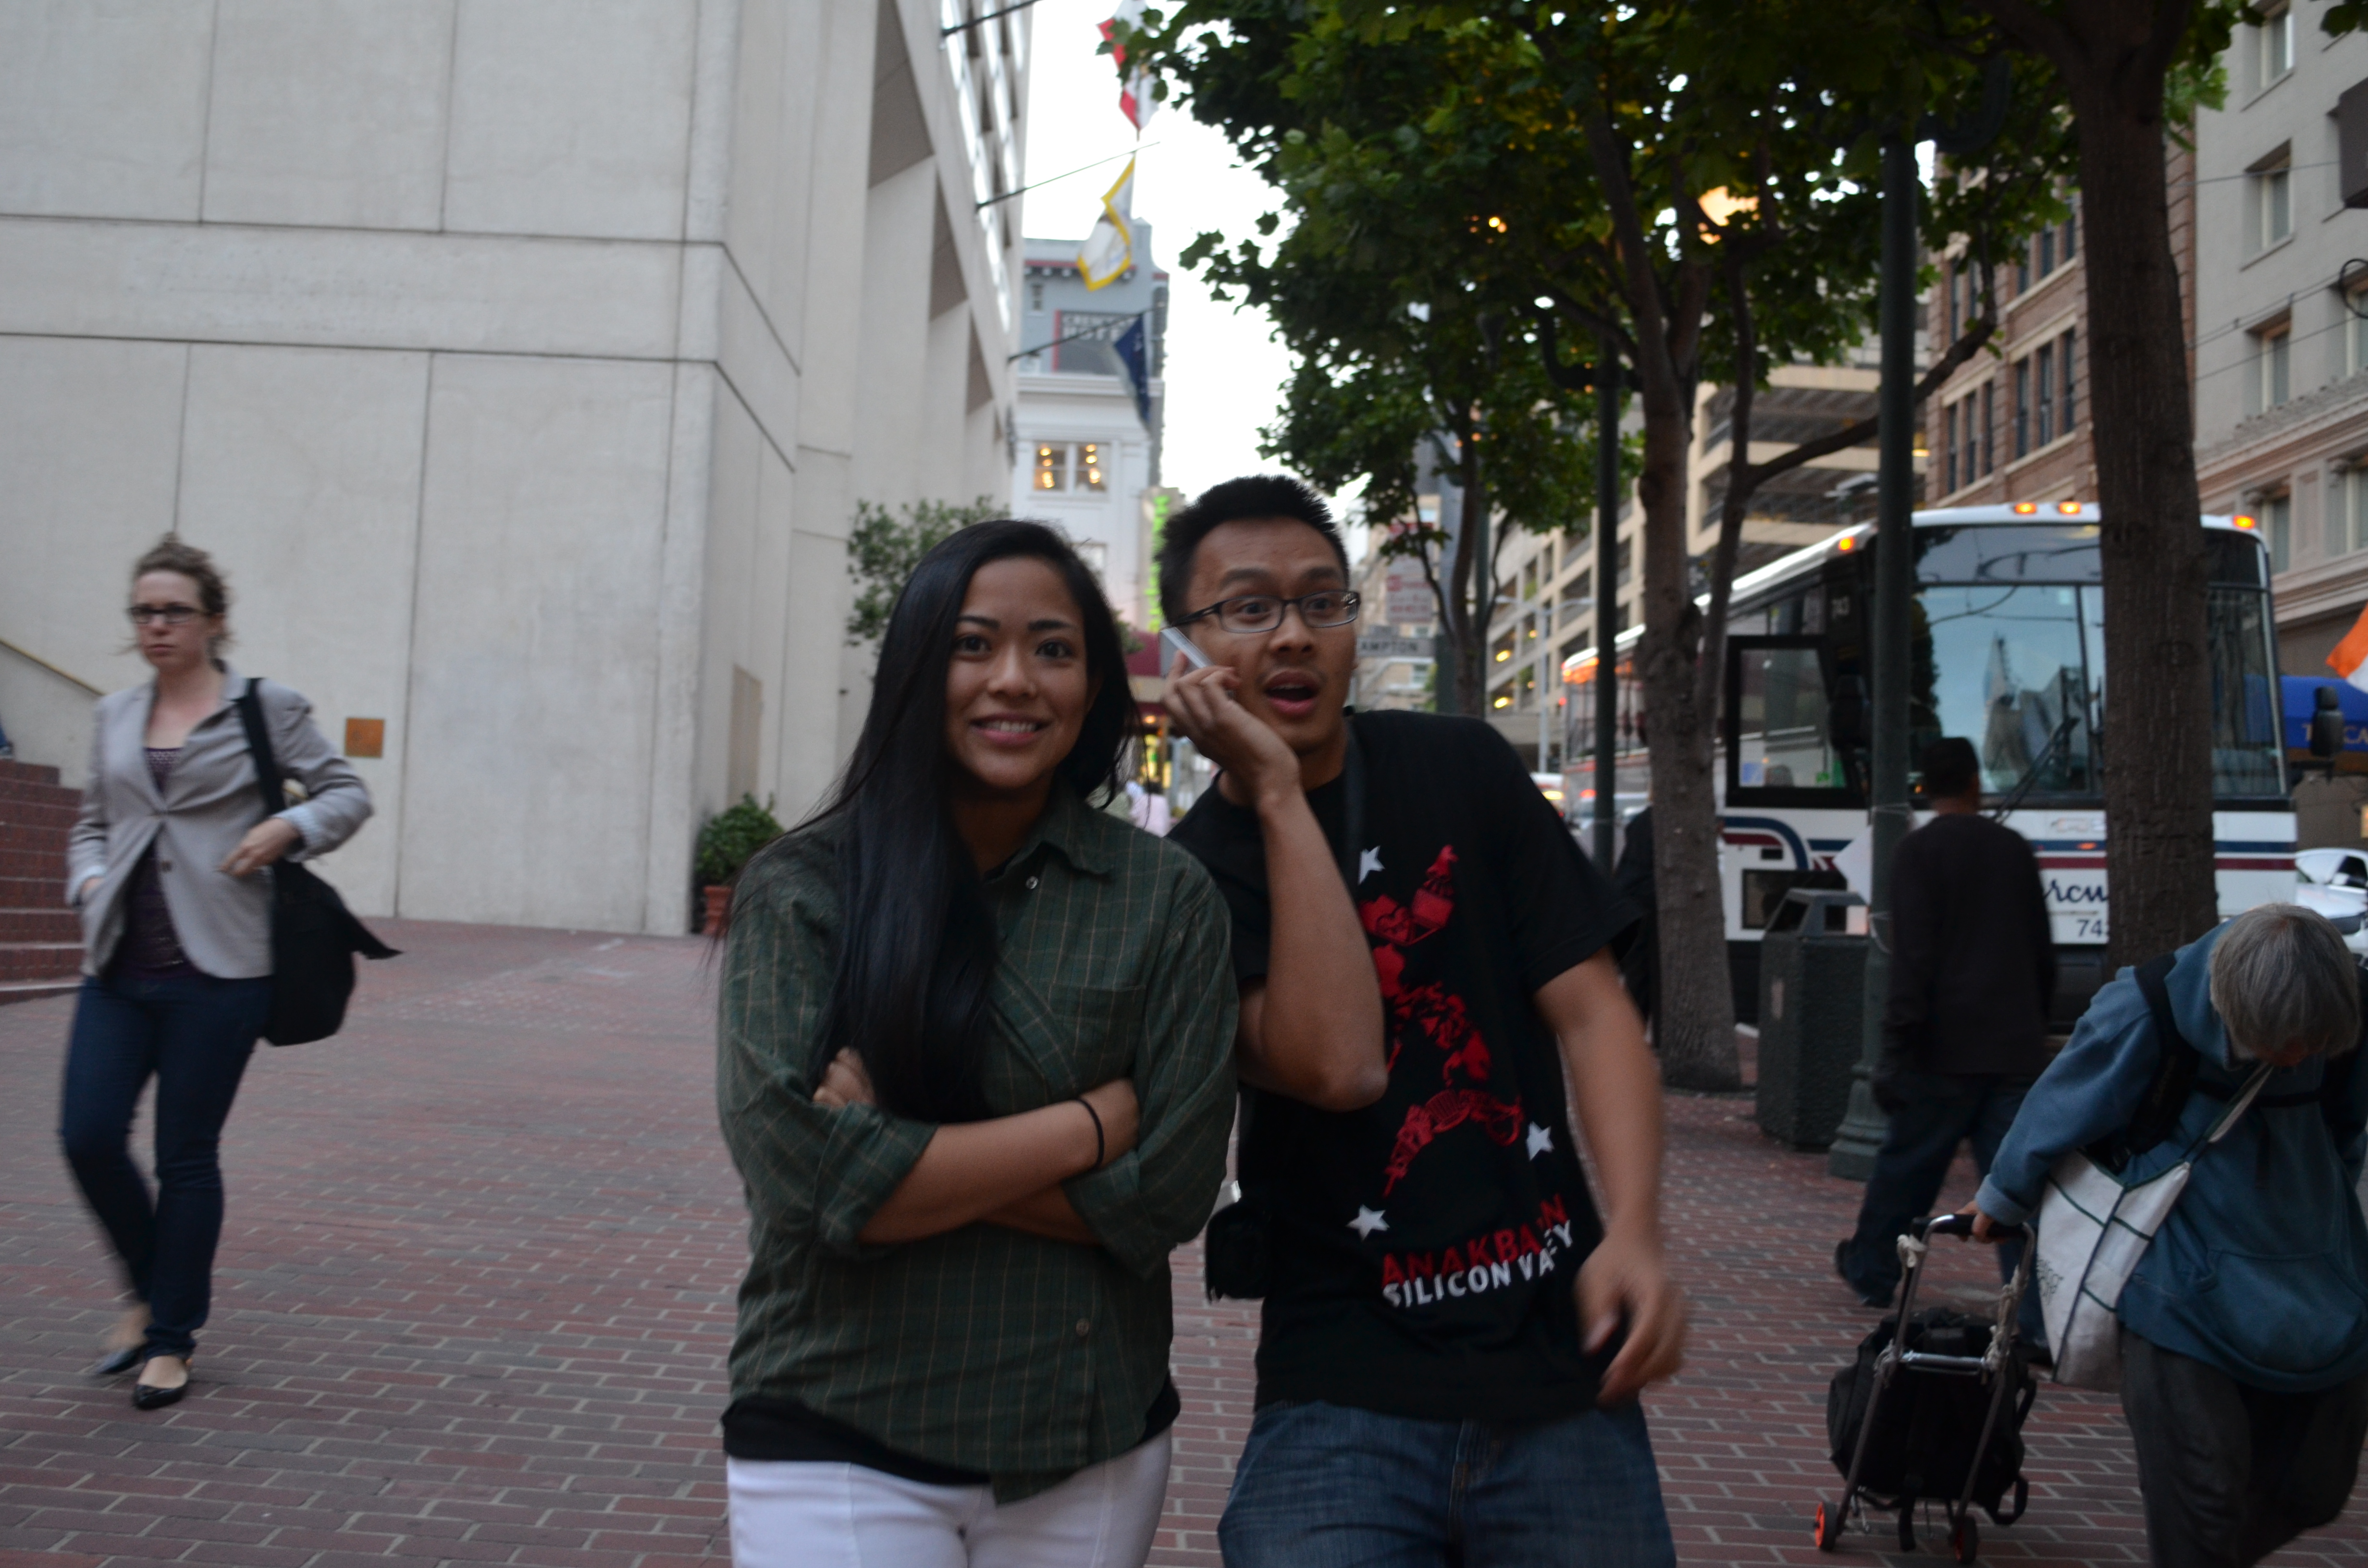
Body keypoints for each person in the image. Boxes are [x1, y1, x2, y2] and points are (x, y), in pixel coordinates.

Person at [1158, 476, 1687, 1567]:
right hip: (1340, 1385)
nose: (1293, 635)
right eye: (1248, 608)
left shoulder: (1463, 767)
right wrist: (1274, 792)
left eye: (1323, 601)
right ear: (1188, 649)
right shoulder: (1191, 878)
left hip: (1559, 1366)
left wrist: (1634, 1228)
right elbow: (1334, 1065)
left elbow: (1594, 1013)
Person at [715, 520, 1238, 1567]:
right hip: (836, 1424)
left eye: (1053, 648)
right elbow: (802, 1182)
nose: (1013, 680)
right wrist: (1091, 1126)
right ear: (915, 668)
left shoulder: (1165, 897)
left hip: (1084, 1436)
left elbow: (1169, 1196)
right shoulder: (802, 888)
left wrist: (891, 1154)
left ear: (1093, 686)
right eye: (971, 644)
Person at [62, 537, 374, 1409]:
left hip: (222, 969)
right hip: (118, 962)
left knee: (185, 1155)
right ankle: (149, 1286)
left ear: (214, 620)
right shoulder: (115, 713)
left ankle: (170, 1338)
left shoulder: (265, 708)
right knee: (87, 1136)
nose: (156, 625)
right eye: (143, 612)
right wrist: (88, 882)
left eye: (174, 611)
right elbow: (92, 824)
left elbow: (346, 791)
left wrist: (290, 827)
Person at [1968, 904, 2368, 1568]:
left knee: (2314, 1488)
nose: (2299, 1056)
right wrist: (2002, 1198)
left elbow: (2348, 1130)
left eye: (2314, 1043)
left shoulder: (2348, 1007)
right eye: (2283, 1043)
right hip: (2174, 1278)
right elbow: (2061, 1102)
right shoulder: (2147, 1011)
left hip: (2315, 1273)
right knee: (2201, 1495)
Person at [1834, 736, 2053, 1349]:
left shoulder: (1917, 853)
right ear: (1975, 783)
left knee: (1906, 1171)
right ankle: (2033, 1314)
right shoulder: (2012, 850)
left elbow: (1912, 961)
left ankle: (1873, 1270)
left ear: (1924, 789)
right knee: (2013, 1186)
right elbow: (2041, 952)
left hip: (1941, 1046)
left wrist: (1896, 1045)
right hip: (2010, 1045)